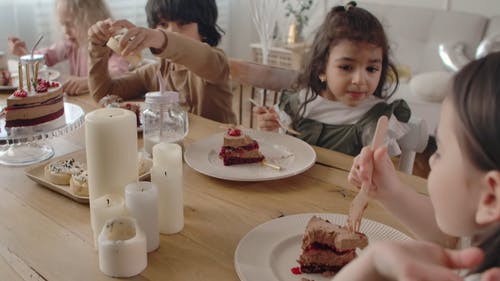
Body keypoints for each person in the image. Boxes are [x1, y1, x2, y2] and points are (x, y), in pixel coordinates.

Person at [335, 52, 500, 280]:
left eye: (440, 151)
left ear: (490, 197)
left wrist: (369, 265)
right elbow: (451, 238)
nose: (431, 160)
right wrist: (391, 192)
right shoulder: (487, 239)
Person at [254, 1, 410, 157]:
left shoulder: (376, 118)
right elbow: (281, 152)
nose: (360, 80)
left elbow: (380, 172)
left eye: (371, 69)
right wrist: (271, 129)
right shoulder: (298, 104)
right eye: (346, 67)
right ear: (322, 67)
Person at [87, 0, 236, 124]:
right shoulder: (155, 71)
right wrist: (97, 47)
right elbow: (104, 93)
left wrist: (161, 37)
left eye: (182, 23)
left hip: (219, 153)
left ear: (203, 28)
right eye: (163, 24)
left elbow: (209, 59)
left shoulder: (214, 62)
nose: (172, 31)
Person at [7, 0, 129, 96]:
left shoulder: (113, 44)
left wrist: (89, 82)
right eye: (62, 24)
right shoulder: (72, 45)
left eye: (70, 24)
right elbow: (46, 57)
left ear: (92, 18)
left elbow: (120, 73)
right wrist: (25, 54)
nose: (65, 31)